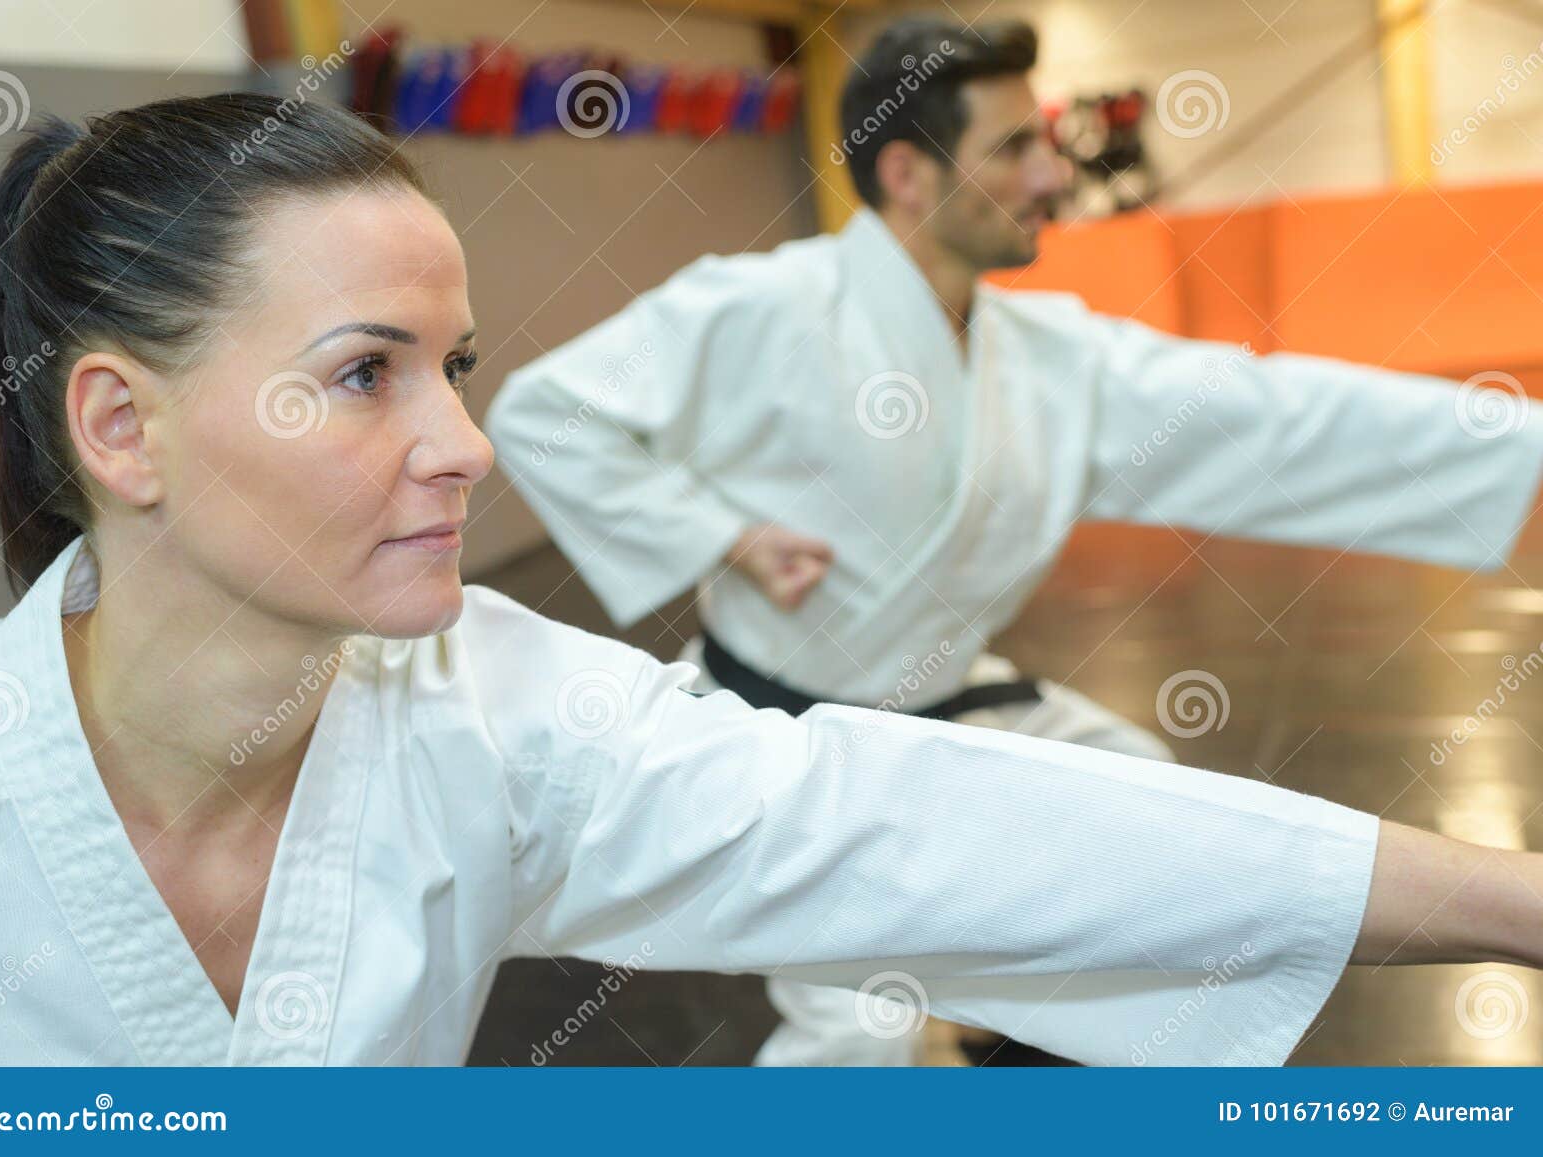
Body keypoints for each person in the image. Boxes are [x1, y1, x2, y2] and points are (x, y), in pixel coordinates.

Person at [0, 94, 1541, 1070]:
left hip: (902, 714)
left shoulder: (496, 721)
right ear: (116, 424)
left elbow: (918, 822)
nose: (466, 446)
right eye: (366, 374)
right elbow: (581, 426)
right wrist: (720, 535)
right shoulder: (754, 309)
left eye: (457, 367)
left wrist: (1506, 901)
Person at [483, 18, 1543, 1064]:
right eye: (1012, 148)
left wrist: (1517, 440)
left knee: (1155, 822)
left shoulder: (1044, 357)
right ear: (907, 172)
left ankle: (1014, 1032)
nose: (1051, 173)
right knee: (860, 1029)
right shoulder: (760, 306)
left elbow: (1265, 414)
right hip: (787, 743)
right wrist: (725, 534)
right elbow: (544, 413)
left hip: (948, 703)